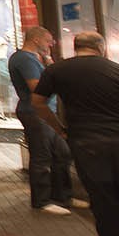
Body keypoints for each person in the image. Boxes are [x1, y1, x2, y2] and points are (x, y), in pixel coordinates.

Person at [32, 32, 119, 236]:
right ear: (101, 47)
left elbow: (38, 103)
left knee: (104, 198)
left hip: (87, 142)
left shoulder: (57, 70)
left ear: (76, 47)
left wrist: (60, 129)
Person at [11, 27, 79, 214]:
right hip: (35, 112)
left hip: (46, 112)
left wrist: (49, 64)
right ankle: (42, 201)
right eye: (48, 40)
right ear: (36, 40)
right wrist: (54, 73)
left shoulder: (33, 59)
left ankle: (63, 197)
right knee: (42, 155)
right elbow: (37, 87)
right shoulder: (25, 59)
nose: (51, 44)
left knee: (62, 152)